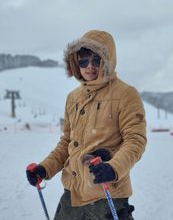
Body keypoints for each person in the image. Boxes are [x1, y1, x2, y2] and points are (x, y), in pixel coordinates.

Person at [26, 30, 147, 220]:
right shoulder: (73, 97)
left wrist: (113, 167)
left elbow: (135, 141)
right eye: (83, 61)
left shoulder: (126, 94)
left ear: (107, 60)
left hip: (107, 195)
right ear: (76, 62)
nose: (89, 66)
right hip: (73, 195)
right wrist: (45, 168)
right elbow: (68, 142)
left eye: (96, 60)